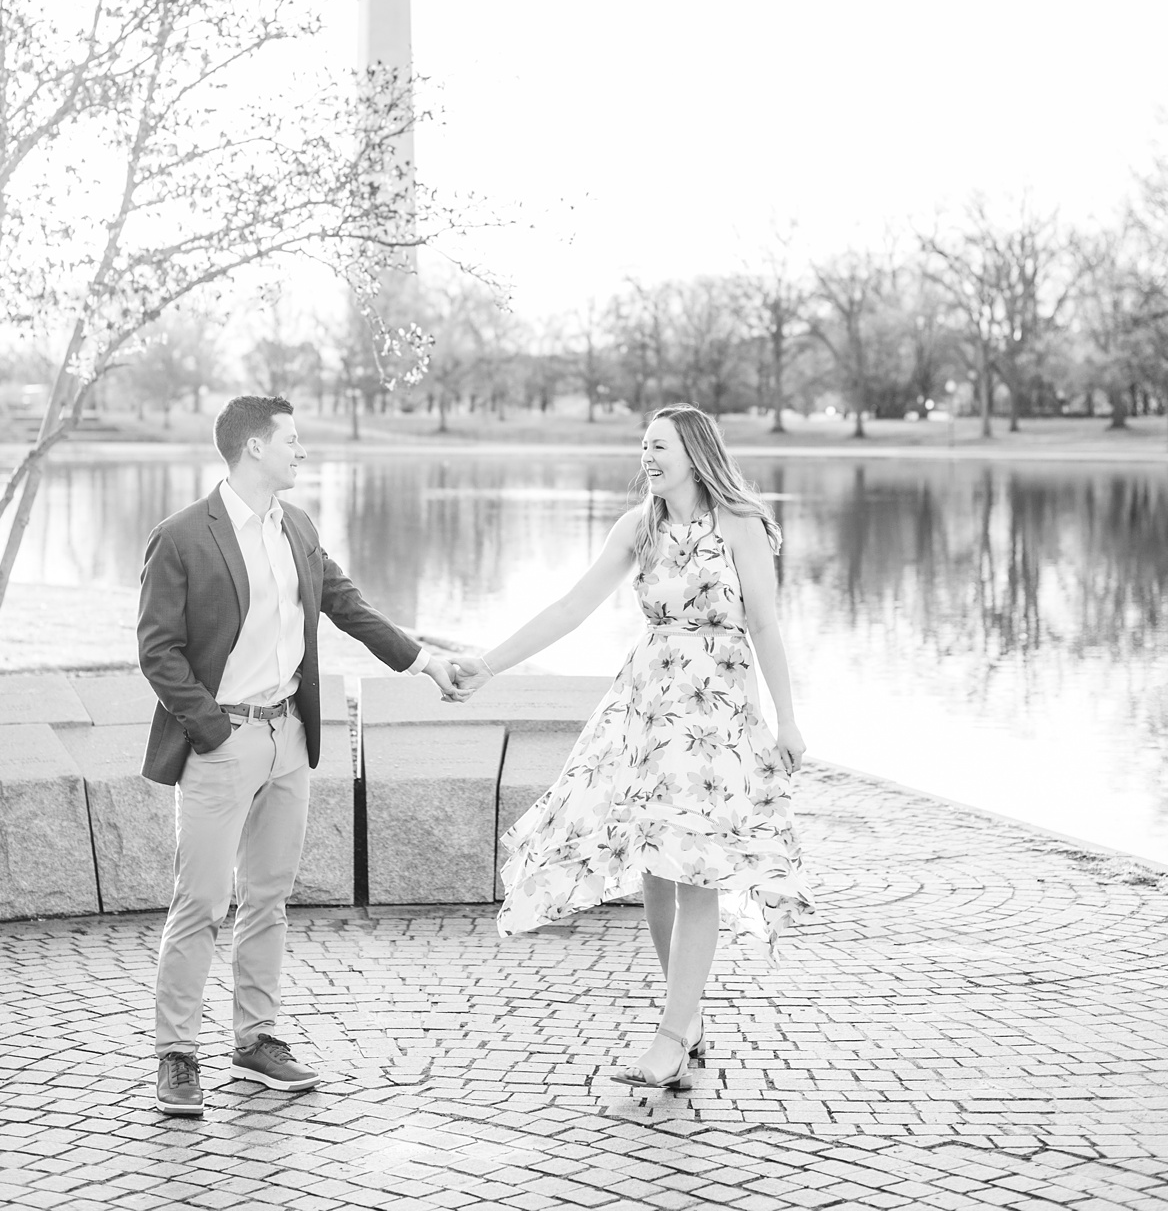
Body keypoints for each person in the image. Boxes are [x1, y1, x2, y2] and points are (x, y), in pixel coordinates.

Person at [454, 404, 814, 1090]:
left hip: (718, 712)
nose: (647, 457)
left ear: (695, 452)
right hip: (649, 707)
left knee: (696, 868)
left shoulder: (741, 526)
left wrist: (787, 722)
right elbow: (569, 608)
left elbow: (765, 625)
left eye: (661, 446)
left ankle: (673, 1035)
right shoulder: (638, 528)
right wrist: (490, 664)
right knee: (654, 866)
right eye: (643, 445)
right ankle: (690, 1016)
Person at [136, 393, 459, 1115]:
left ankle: (254, 1042)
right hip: (221, 742)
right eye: (291, 440)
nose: (302, 451)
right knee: (201, 902)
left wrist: (424, 661)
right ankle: (176, 1055)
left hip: (290, 737)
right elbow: (158, 652)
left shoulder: (299, 528)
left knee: (270, 897)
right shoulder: (183, 536)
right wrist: (213, 731)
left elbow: (349, 606)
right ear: (254, 447)